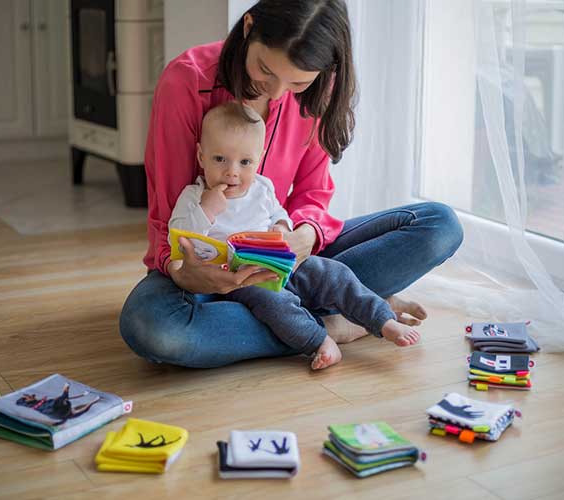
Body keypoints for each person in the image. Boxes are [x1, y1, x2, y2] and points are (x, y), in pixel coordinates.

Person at [119, 0, 463, 368]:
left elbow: (313, 194)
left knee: (439, 224)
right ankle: (336, 320)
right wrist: (182, 271)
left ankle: (313, 315)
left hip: (287, 261)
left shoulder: (318, 89)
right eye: (266, 70)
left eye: (298, 81)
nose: (279, 93)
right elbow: (167, 216)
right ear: (249, 27)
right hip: (209, 275)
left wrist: (302, 236)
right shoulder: (186, 82)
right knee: (153, 327)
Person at [169, 101, 421, 370]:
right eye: (220, 159)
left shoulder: (262, 188)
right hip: (243, 280)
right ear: (201, 157)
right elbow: (181, 238)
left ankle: (383, 319)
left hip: (281, 263)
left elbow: (280, 212)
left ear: (259, 159)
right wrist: (206, 210)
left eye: (245, 162)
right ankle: (319, 340)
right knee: (276, 304)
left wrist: (282, 227)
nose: (232, 171)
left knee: (334, 273)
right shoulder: (194, 196)